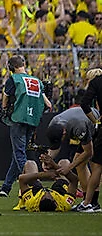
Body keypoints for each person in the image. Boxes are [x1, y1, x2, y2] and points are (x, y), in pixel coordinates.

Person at [0, 55, 51, 199]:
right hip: (33, 121)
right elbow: (48, 104)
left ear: (11, 68)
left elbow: (6, 97)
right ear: (24, 65)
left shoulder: (13, 79)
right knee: (18, 154)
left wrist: (4, 110)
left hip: (18, 118)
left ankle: (35, 184)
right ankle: (6, 187)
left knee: (19, 154)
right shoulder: (37, 81)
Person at [45, 104, 99, 211]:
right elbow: (55, 147)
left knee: (94, 165)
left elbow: (89, 152)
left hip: (95, 124)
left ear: (64, 132)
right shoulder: (54, 123)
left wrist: (69, 167)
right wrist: (48, 160)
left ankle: (92, 203)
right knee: (80, 165)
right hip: (82, 122)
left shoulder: (79, 126)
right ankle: (88, 202)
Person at [78, 68, 102, 212]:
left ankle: (88, 202)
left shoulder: (96, 82)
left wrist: (96, 121)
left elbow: (84, 103)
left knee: (97, 166)